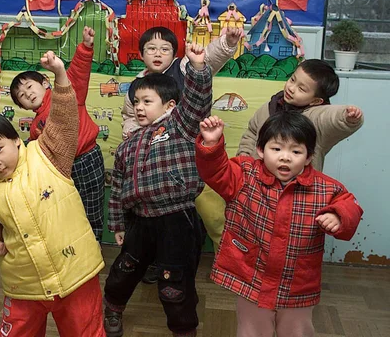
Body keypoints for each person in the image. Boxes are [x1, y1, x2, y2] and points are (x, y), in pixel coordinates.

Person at [0, 51, 105, 337]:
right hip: (23, 283)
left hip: (75, 273)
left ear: (16, 140)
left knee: (85, 332)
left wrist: (60, 75)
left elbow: (64, 119)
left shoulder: (47, 154)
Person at [196, 111, 363, 337]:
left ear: (308, 157)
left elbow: (350, 204)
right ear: (260, 150)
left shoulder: (325, 188)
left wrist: (338, 215)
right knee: (251, 330)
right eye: (276, 149)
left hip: (297, 281)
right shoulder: (244, 175)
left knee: (298, 331)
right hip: (252, 276)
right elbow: (216, 171)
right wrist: (212, 143)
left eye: (295, 151)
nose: (285, 157)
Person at [103, 43, 212, 337]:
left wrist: (199, 69)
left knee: (174, 282)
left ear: (169, 106)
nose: (139, 107)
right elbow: (118, 188)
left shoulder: (180, 127)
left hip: (177, 219)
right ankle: (113, 306)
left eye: (147, 101)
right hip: (140, 221)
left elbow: (198, 102)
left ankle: (184, 328)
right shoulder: (127, 144)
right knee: (124, 270)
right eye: (136, 101)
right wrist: (117, 223)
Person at [121, 26, 242, 280]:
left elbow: (208, 57)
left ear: (174, 54)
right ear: (141, 54)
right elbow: (129, 117)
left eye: (165, 49)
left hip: (195, 158)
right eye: (151, 49)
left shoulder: (185, 68)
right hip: (158, 165)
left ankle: (230, 263)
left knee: (213, 214)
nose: (157, 53)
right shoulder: (135, 87)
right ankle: (157, 263)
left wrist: (227, 43)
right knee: (158, 219)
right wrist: (132, 138)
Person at [9, 26, 105, 240]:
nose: (28, 94)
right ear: (22, 106)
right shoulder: (35, 128)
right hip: (62, 169)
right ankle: (75, 248)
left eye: (29, 87)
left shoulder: (66, 94)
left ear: (45, 82)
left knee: (92, 208)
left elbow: (78, 73)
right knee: (69, 209)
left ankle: (94, 246)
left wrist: (85, 47)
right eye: (22, 96)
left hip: (88, 158)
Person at [237, 59, 364, 170]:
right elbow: (252, 133)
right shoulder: (270, 107)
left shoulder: (314, 119)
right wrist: (244, 158)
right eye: (292, 79)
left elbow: (328, 117)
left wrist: (346, 117)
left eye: (301, 89)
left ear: (316, 101)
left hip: (297, 191)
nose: (291, 88)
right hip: (257, 183)